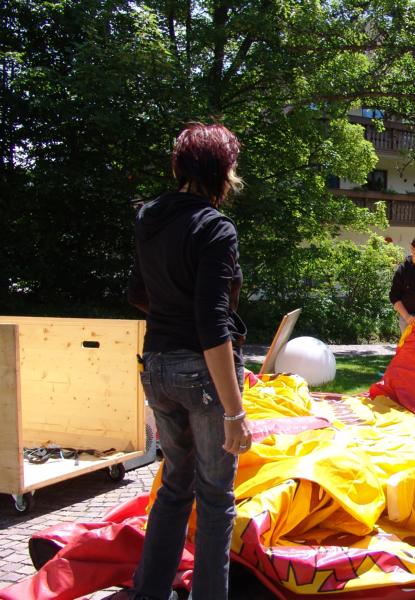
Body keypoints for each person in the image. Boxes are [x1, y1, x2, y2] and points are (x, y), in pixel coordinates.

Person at [127, 122, 252, 600]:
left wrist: (170, 314)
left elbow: (138, 292)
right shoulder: (215, 227)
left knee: (175, 486)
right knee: (216, 499)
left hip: (157, 366)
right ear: (222, 171)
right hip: (201, 375)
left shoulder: (149, 217)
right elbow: (212, 323)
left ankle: (149, 593)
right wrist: (235, 413)